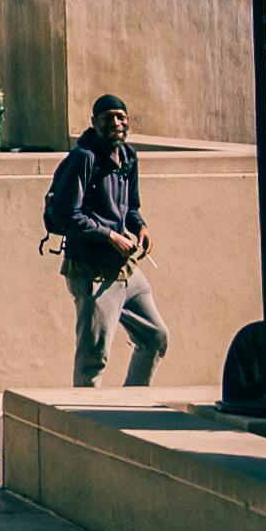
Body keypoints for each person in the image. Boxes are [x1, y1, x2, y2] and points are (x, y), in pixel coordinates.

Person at [39, 93, 167, 384]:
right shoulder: (84, 158)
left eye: (121, 116)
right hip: (91, 270)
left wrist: (141, 227)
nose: (116, 122)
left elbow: (131, 207)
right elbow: (66, 214)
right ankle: (85, 420)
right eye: (108, 116)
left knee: (155, 337)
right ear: (94, 121)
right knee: (93, 358)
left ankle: (130, 408)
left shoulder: (128, 157)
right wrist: (109, 235)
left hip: (124, 268)